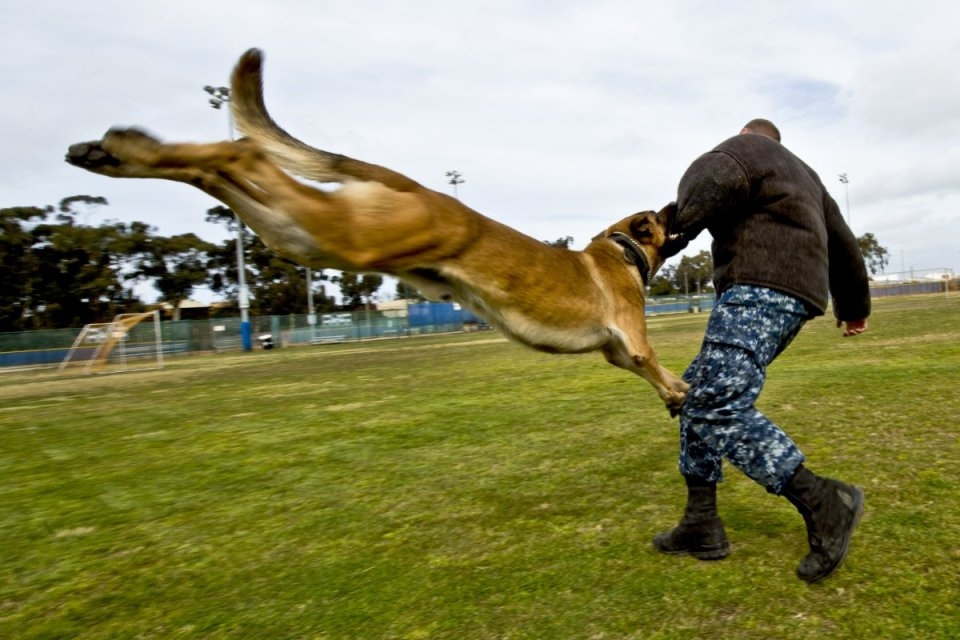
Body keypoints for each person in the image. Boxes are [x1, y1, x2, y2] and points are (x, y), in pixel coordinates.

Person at [655, 118, 871, 583]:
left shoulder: (745, 150)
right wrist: (854, 305)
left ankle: (824, 501)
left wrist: (670, 234)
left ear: (748, 134)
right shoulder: (807, 176)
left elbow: (713, 173)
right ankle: (701, 520)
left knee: (715, 402)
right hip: (798, 297)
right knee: (693, 393)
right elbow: (843, 242)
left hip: (758, 286)